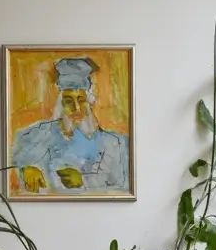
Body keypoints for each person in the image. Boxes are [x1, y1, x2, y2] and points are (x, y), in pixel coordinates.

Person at [10, 56, 130, 195]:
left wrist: (83, 182)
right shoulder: (42, 133)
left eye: (81, 100)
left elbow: (124, 189)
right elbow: (17, 154)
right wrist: (26, 168)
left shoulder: (115, 143)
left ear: (90, 103)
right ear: (61, 106)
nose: (76, 108)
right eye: (68, 101)